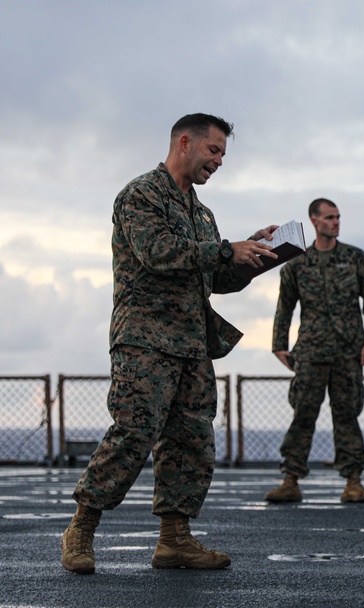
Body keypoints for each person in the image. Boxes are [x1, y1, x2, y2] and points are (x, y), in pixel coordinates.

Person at [60, 114, 280, 574]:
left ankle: (175, 540)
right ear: (185, 142)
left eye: (223, 154)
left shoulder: (201, 213)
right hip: (144, 338)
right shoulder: (141, 194)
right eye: (213, 151)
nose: (219, 161)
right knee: (133, 433)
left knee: (191, 440)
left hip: (192, 342)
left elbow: (214, 278)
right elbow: (157, 252)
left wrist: (252, 258)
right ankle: (81, 527)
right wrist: (225, 248)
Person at [265, 198, 364, 504]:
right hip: (311, 351)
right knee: (303, 415)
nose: (336, 222)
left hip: (349, 352)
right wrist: (279, 345)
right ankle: (290, 479)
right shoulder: (296, 264)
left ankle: (353, 482)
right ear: (314, 220)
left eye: (338, 218)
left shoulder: (356, 259)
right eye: (330, 218)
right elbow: (285, 307)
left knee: (347, 415)